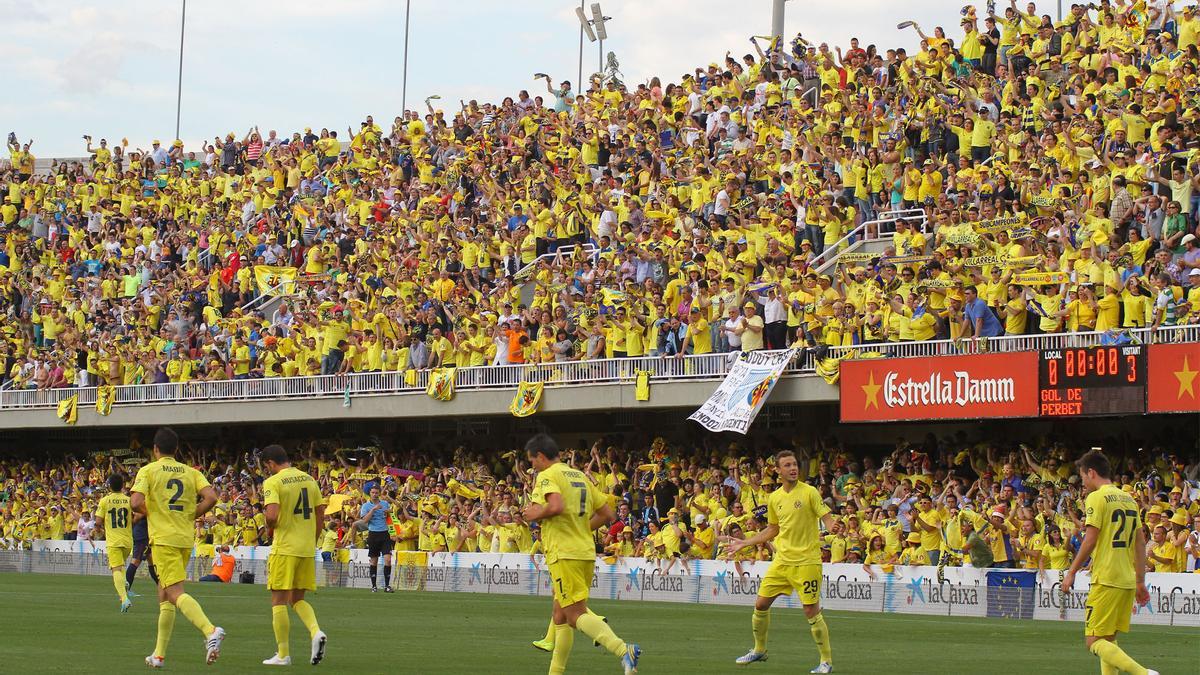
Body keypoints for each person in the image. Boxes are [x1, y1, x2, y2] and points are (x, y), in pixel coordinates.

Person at [520, 433, 641, 675]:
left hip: (563, 554)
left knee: (575, 615)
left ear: (541, 456)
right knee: (560, 615)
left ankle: (622, 649)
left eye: (532, 461)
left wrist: (536, 514)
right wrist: (581, 528)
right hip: (583, 551)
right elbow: (608, 513)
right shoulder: (579, 476)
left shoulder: (547, 476)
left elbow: (555, 506)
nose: (531, 466)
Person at [724, 450, 835, 673]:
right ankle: (759, 650)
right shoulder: (774, 498)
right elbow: (773, 529)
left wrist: (834, 528)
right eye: (787, 465)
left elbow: (827, 518)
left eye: (794, 464)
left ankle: (826, 661)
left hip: (806, 562)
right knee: (760, 605)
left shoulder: (810, 492)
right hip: (782, 561)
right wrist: (745, 543)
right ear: (778, 470)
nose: (793, 468)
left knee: (811, 610)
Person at [130, 427, 226, 668]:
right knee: (164, 593)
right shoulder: (190, 472)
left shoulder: (149, 470)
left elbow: (135, 502)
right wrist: (192, 514)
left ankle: (210, 630)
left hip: (164, 539)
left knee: (174, 592)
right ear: (176, 449)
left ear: (155, 449)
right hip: (184, 538)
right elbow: (212, 497)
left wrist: (153, 513)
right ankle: (158, 655)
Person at [1062, 450, 1159, 675]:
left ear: (1091, 472)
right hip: (1125, 580)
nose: (1083, 482)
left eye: (1083, 476)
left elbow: (1090, 538)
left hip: (1106, 578)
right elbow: (1140, 544)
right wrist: (1140, 581)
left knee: (1093, 641)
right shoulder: (1129, 500)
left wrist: (1072, 571)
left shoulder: (1096, 498)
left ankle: (1143, 674)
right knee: (1107, 639)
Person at [259, 444, 329, 666]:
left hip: (285, 547)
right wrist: (313, 539)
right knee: (297, 599)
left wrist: (268, 527)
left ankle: (283, 654)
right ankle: (315, 631)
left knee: (278, 600)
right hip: (307, 549)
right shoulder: (309, 479)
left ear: (270, 463)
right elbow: (320, 515)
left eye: (266, 466)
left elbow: (271, 516)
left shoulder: (273, 482)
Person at [94, 473, 134, 612]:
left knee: (115, 569)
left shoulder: (105, 501)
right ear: (123, 485)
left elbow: (98, 521)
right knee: (121, 567)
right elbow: (139, 514)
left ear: (109, 486)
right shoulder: (129, 500)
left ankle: (124, 599)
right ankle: (125, 583)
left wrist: (99, 529)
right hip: (128, 541)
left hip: (114, 541)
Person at [358, 486, 394, 592]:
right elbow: (365, 520)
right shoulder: (365, 506)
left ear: (379, 493)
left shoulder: (384, 503)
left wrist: (389, 512)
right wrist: (373, 509)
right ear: (370, 493)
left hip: (385, 534)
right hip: (373, 534)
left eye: (376, 492)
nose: (374, 494)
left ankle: (387, 586)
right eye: (372, 492)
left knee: (388, 559)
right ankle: (374, 586)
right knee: (374, 561)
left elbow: (389, 516)